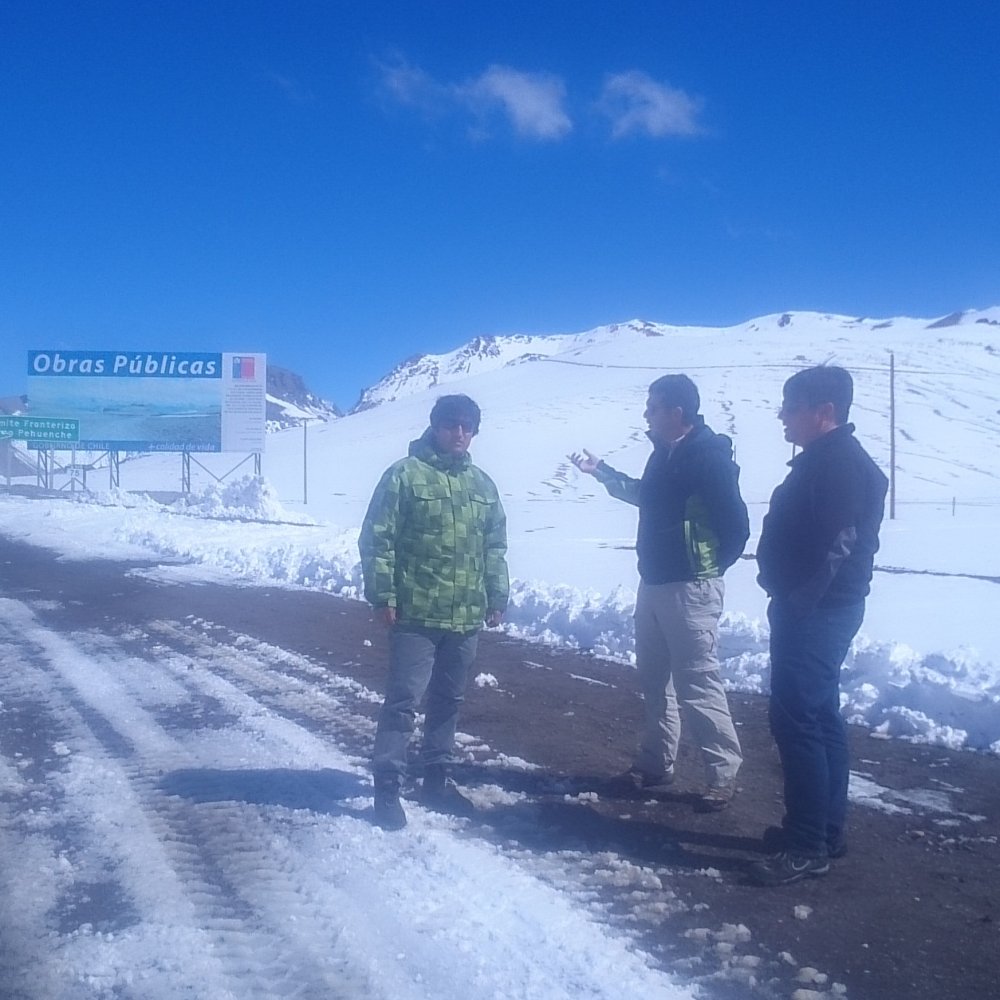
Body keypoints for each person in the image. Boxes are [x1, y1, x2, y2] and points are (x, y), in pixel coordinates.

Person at [570, 374, 749, 810]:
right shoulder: (662, 456)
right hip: (652, 583)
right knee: (655, 680)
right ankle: (655, 764)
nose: (646, 415)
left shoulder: (709, 457)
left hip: (691, 588)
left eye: (653, 407)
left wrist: (706, 569)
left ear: (676, 412)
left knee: (698, 683)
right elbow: (644, 497)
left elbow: (737, 525)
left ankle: (722, 774)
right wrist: (604, 473)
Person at [750, 365, 887, 886]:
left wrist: (796, 599)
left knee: (798, 720)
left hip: (818, 611)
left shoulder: (839, 466)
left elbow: (839, 542)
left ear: (823, 412)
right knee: (820, 716)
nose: (783, 416)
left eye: (791, 406)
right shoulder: (827, 460)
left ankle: (808, 845)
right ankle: (823, 831)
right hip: (822, 608)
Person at [359, 393, 509, 830]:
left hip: (464, 616)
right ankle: (387, 786)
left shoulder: (482, 485)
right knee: (403, 702)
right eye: (451, 424)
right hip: (416, 614)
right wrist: (383, 596)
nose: (459, 432)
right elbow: (377, 539)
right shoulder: (404, 476)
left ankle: (436, 780)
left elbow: (495, 546)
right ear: (435, 425)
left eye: (467, 425)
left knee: (449, 700)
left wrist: (496, 595)